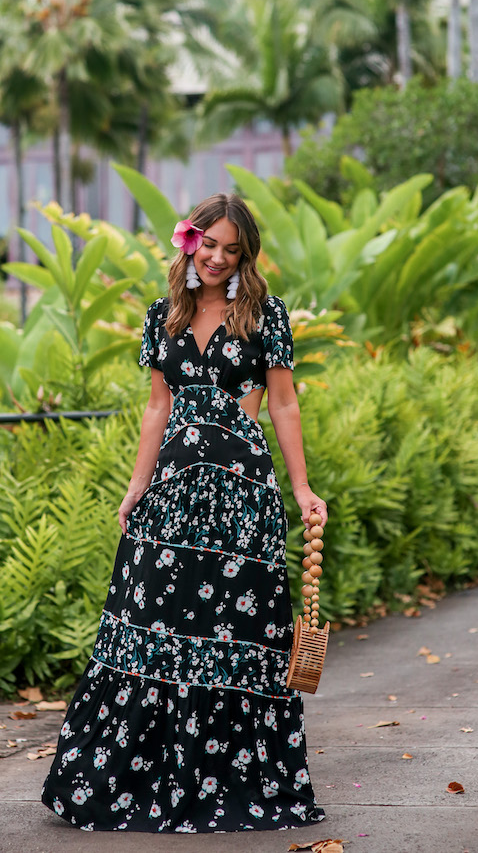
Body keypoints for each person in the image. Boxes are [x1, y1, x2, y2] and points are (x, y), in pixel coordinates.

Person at [41, 193, 328, 833]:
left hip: (239, 498)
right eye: (211, 245)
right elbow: (155, 408)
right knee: (148, 629)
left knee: (230, 635)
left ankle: (235, 785)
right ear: (190, 243)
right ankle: (135, 783)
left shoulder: (264, 316)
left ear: (246, 254)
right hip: (170, 495)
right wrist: (135, 485)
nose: (221, 259)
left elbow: (283, 405)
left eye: (234, 249)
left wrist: (302, 489)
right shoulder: (162, 317)